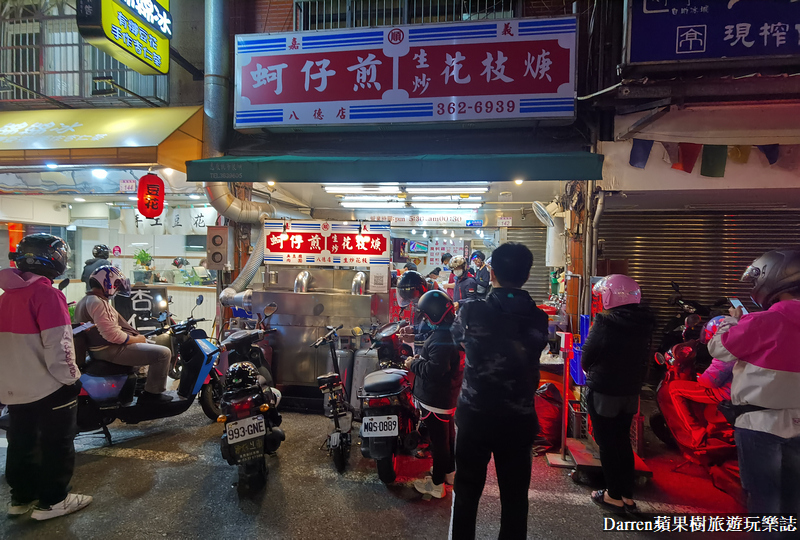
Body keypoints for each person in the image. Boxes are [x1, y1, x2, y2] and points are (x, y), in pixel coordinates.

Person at [449, 242, 549, 540]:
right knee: (515, 498)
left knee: (466, 493)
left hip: (475, 417)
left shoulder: (471, 312)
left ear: (491, 272)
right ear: (527, 275)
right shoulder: (539, 318)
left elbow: (459, 342)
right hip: (519, 419)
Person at [1, 233, 92, 520]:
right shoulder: (48, 295)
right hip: (48, 386)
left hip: (14, 387)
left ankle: (21, 498)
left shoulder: (6, 297)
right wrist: (71, 379)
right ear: (54, 259)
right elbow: (60, 346)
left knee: (22, 440)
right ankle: (53, 500)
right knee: (57, 442)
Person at [708, 250, 800, 517]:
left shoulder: (764, 320)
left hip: (760, 427)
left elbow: (718, 348)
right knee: (793, 504)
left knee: (765, 503)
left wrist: (731, 320)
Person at [581, 275, 655, 514]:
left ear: (610, 296)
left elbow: (588, 355)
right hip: (630, 391)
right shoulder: (645, 322)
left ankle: (613, 495)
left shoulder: (605, 322)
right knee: (622, 441)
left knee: (607, 444)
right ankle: (627, 496)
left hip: (605, 390)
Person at [74, 266, 172, 403]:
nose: (117, 288)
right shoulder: (98, 302)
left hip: (100, 349)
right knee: (163, 354)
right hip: (109, 349)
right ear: (107, 283)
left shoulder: (86, 300)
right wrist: (136, 339)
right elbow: (112, 336)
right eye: (117, 284)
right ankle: (153, 395)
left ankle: (140, 385)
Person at [405, 290, 463, 499]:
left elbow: (435, 370)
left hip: (436, 399)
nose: (424, 319)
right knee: (447, 439)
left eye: (426, 315)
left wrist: (414, 363)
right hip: (446, 398)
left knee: (439, 443)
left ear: (434, 314)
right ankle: (448, 473)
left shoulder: (441, 337)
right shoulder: (449, 332)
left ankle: (437, 484)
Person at [669, 316, 734, 449]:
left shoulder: (726, 350)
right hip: (741, 389)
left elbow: (709, 382)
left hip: (726, 392)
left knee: (674, 388)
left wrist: (698, 377)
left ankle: (695, 430)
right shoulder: (743, 344)